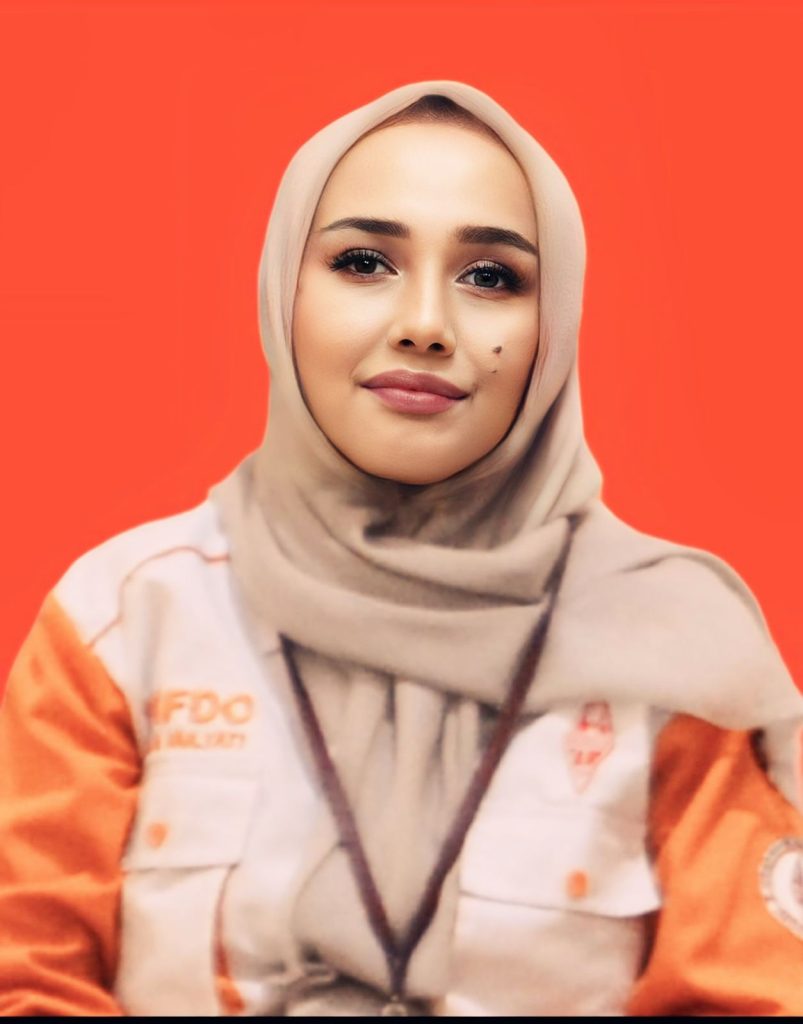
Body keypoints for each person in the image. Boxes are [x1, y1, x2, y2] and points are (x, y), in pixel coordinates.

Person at [1, 79, 802, 1017]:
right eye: (363, 262)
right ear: (284, 291)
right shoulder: (125, 619)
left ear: (553, 324)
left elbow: (749, 997)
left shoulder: (676, 652)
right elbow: (26, 977)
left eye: (490, 277)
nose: (424, 324)